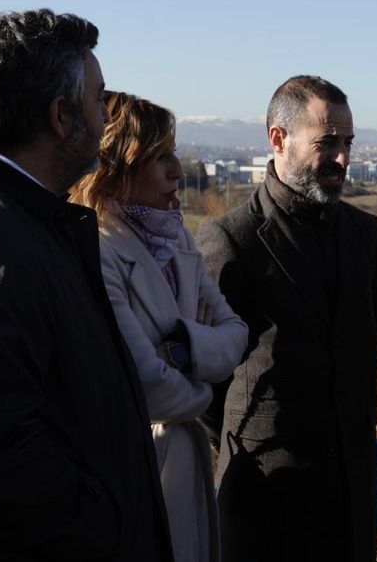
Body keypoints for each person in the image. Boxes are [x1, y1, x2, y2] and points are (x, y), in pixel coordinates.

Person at [0, 9, 173, 560]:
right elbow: (1, 472)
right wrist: (109, 521)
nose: (106, 117)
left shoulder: (23, 224)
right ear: (62, 116)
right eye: (98, 100)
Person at [197, 75, 377, 561]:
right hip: (267, 498)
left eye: (348, 142)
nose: (343, 158)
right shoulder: (231, 240)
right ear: (278, 139)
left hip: (352, 494)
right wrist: (263, 436)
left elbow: (367, 344)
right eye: (327, 142)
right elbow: (206, 380)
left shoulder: (366, 234)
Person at [71, 91, 248, 562]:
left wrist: (180, 352)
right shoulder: (95, 251)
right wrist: (201, 383)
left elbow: (237, 332)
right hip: (136, 468)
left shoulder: (176, 237)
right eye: (159, 157)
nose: (178, 170)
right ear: (116, 166)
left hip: (183, 458)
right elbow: (147, 388)